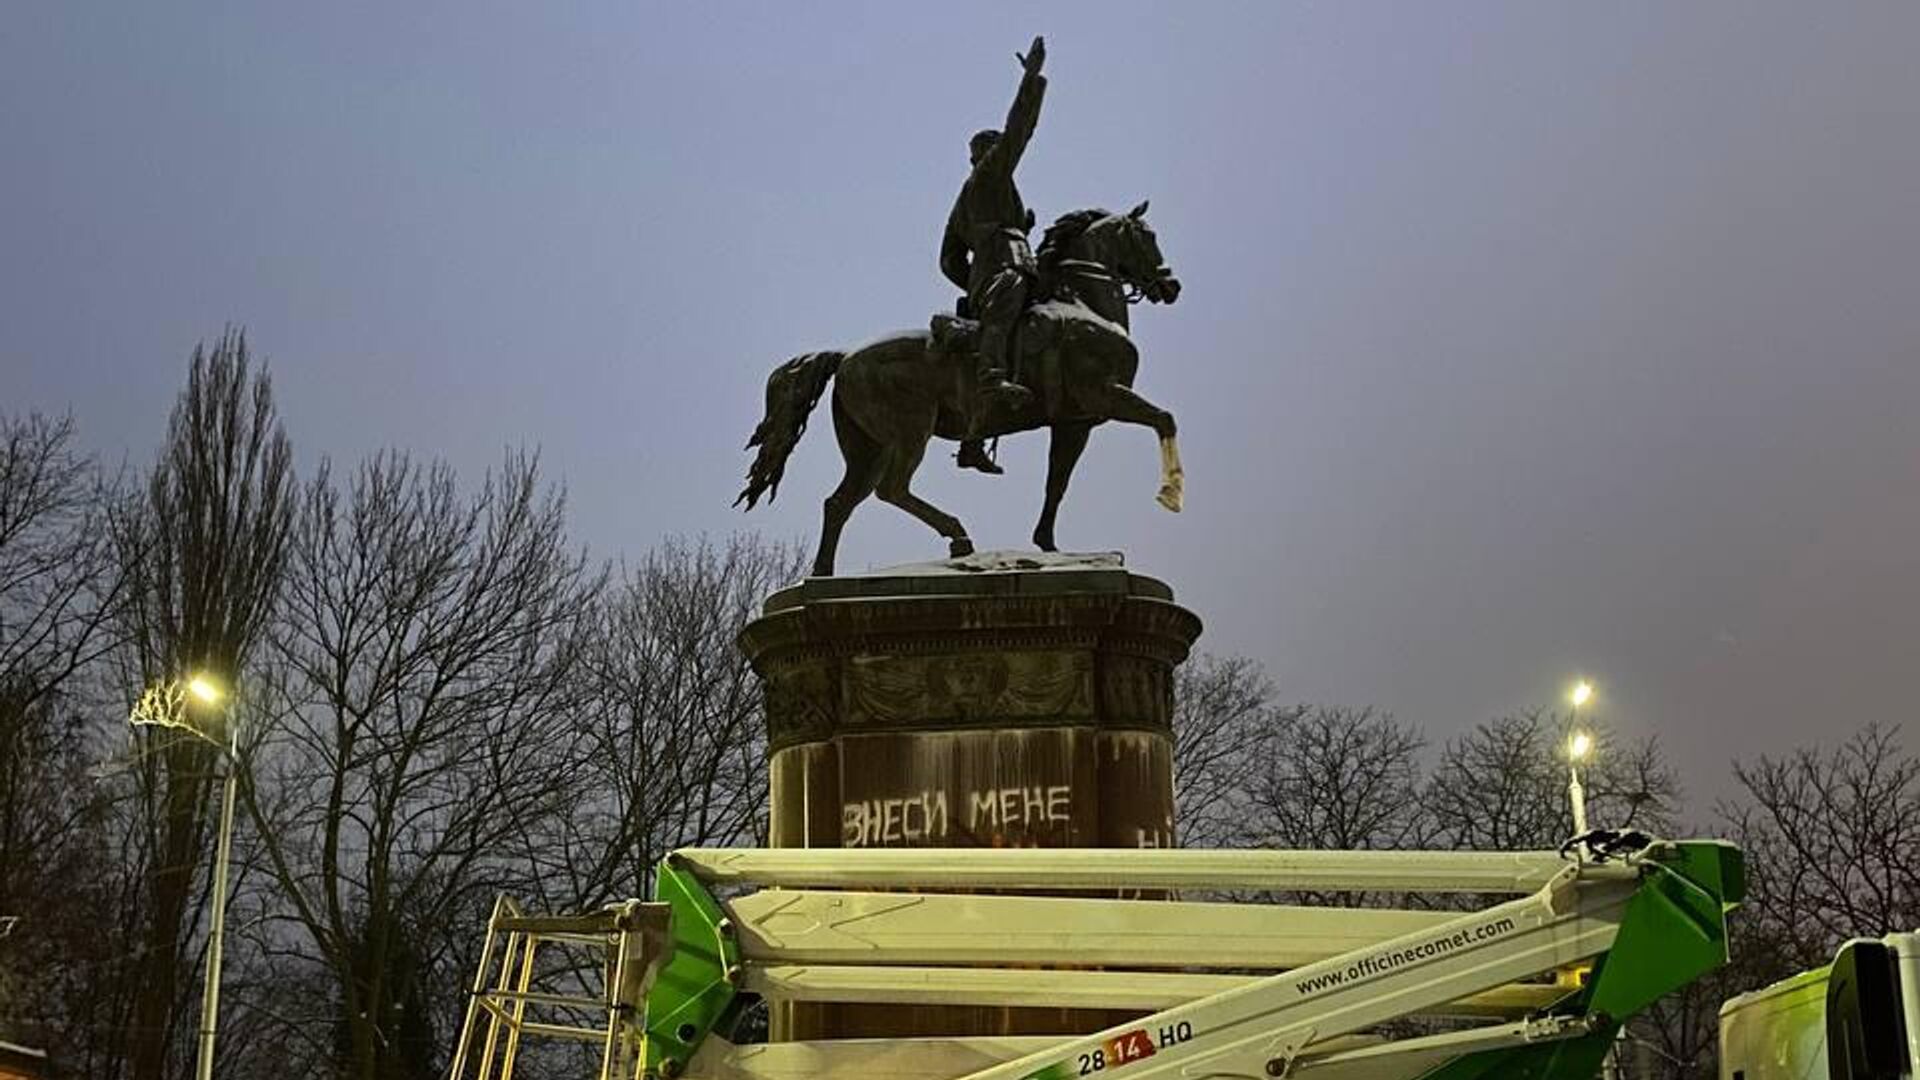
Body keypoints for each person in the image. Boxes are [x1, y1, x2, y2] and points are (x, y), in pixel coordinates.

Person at [942, 36, 1046, 475]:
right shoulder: (990, 172)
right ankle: (989, 379)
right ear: (985, 154)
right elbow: (1020, 126)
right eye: (998, 148)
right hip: (1007, 268)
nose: (1005, 152)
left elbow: (948, 260)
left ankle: (977, 436)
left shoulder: (966, 200)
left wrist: (974, 281)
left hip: (995, 270)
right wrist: (1030, 78)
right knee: (1012, 304)